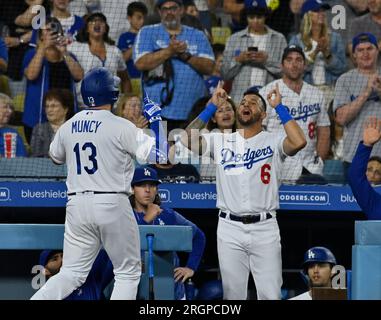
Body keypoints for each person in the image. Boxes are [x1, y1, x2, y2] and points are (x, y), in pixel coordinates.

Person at [30, 66, 168, 300]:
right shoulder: (121, 125)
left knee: (71, 273)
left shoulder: (69, 124)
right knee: (127, 272)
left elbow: (55, 157)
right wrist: (157, 121)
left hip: (76, 205)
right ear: (113, 94)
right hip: (111, 202)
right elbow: (160, 155)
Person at [181, 81, 306, 299]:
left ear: (263, 115)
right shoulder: (221, 140)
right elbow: (186, 138)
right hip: (229, 228)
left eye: (254, 103)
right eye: (243, 102)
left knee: (270, 295)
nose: (246, 104)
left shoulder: (273, 140)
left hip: (265, 227)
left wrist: (280, 107)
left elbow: (299, 141)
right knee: (233, 296)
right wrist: (211, 106)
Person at [134, 0, 215, 132]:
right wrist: (169, 51)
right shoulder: (147, 32)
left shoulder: (197, 35)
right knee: (157, 152)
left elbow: (210, 66)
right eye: (165, 9)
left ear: (181, 10)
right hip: (156, 114)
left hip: (192, 113)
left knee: (190, 152)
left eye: (173, 8)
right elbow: (140, 63)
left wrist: (185, 56)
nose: (169, 12)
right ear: (159, 12)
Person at [129, 166, 206, 299]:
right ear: (132, 189)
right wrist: (147, 219)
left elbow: (199, 236)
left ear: (157, 189)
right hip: (136, 287)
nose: (147, 190)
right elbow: (127, 245)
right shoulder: (125, 216)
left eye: (152, 185)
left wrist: (190, 267)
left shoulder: (168, 215)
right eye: (142, 185)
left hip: (170, 288)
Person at [259, 45, 330, 183]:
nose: (294, 64)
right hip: (279, 165)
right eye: (289, 60)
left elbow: (324, 130)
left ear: (304, 65)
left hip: (309, 166)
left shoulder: (316, 94)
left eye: (298, 60)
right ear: (282, 65)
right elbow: (259, 130)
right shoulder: (267, 92)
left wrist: (319, 160)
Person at [22, 17, 84, 143]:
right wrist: (43, 47)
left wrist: (64, 52)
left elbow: (79, 76)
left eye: (54, 29)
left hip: (67, 120)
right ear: (40, 35)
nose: (51, 32)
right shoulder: (31, 54)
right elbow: (31, 75)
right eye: (47, 30)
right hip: (37, 120)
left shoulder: (69, 56)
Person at [221, 0, 287, 105]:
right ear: (246, 17)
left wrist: (266, 61)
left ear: (265, 16)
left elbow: (285, 73)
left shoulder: (279, 39)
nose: (255, 21)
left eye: (259, 17)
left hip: (269, 101)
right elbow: (225, 74)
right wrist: (239, 60)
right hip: (240, 100)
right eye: (251, 17)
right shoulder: (234, 39)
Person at [333, 32, 381, 176]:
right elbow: (341, 118)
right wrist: (367, 92)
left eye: (369, 49)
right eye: (360, 50)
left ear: (377, 50)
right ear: (353, 55)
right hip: (355, 156)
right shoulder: (345, 80)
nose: (365, 53)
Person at [289, 0, 346, 105]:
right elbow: (293, 71)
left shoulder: (335, 38)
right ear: (307, 15)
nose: (322, 14)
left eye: (323, 10)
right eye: (316, 11)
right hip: (306, 91)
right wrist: (315, 53)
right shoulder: (296, 41)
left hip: (331, 90)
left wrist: (326, 53)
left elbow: (342, 68)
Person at [68, 12, 131, 106]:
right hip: (84, 106)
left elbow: (125, 79)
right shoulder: (75, 48)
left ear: (105, 28)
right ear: (87, 29)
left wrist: (125, 103)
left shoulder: (115, 51)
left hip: (111, 107)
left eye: (101, 21)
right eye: (93, 21)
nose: (97, 23)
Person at [36, 249, 113, 300]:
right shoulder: (46, 294)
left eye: (63, 256)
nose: (62, 260)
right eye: (55, 259)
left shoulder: (88, 279)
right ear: (45, 271)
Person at [348, 116, 381, 220]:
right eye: (370, 170)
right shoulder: (375, 203)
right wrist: (366, 145)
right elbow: (355, 177)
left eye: (377, 172)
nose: (372, 174)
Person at [30, 88, 74, 157]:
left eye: (53, 106)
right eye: (47, 106)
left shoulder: (73, 129)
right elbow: (36, 155)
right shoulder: (39, 129)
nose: (49, 110)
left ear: (65, 109)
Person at [117, 2, 148, 96]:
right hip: (130, 81)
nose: (142, 21)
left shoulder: (148, 36)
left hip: (147, 81)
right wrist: (137, 42)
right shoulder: (124, 37)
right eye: (139, 17)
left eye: (144, 18)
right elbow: (122, 59)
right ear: (129, 18)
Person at [0, 93, 26, 157]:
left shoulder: (12, 133)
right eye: (5, 107)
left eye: (10, 108)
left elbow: (22, 158)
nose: (10, 111)